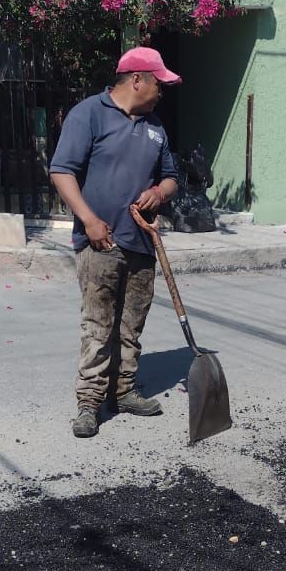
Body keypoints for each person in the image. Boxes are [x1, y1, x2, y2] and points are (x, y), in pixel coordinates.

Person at [50, 47, 180, 438]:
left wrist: (160, 192)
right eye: (159, 83)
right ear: (137, 78)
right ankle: (89, 402)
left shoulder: (157, 126)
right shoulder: (88, 114)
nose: (162, 91)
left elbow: (171, 177)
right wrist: (89, 220)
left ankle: (123, 391)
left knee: (130, 325)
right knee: (98, 325)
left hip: (142, 240)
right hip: (101, 241)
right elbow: (61, 170)